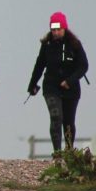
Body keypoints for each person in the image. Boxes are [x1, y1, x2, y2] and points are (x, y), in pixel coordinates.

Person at [27, 11, 89, 152]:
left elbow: (84, 66)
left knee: (68, 121)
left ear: (64, 28)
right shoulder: (47, 44)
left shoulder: (75, 44)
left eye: (58, 29)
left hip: (71, 89)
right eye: (53, 29)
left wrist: (70, 81)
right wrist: (32, 85)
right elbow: (39, 65)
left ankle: (69, 150)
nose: (55, 32)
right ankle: (57, 152)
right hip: (51, 87)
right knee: (56, 117)